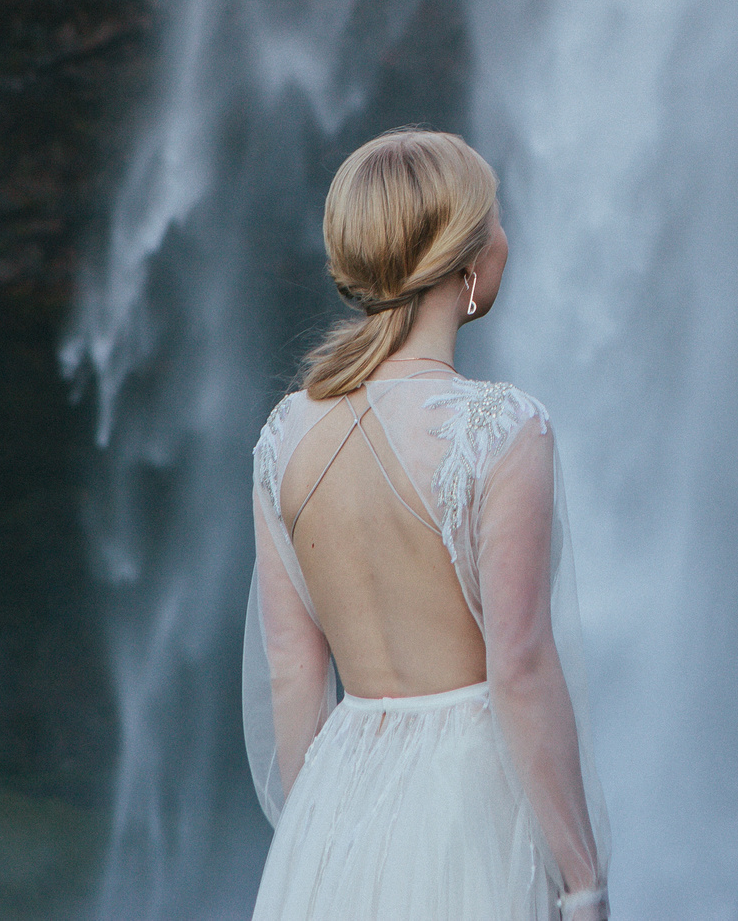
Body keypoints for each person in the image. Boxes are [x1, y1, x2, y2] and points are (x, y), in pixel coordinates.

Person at [243, 128, 607, 921]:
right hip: (468, 805)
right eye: (498, 216)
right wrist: (583, 877)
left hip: (340, 797)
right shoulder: (504, 427)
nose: (507, 235)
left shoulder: (283, 437)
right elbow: (520, 666)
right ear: (465, 259)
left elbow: (291, 667)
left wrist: (321, 833)